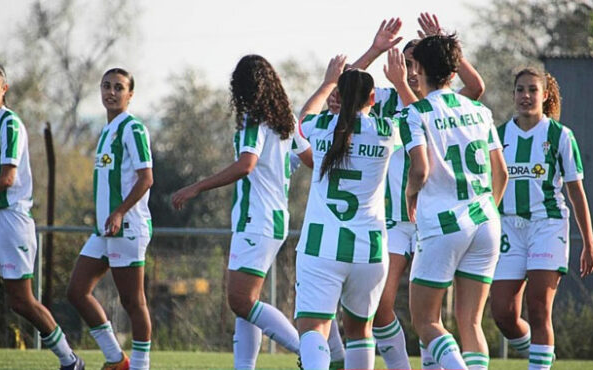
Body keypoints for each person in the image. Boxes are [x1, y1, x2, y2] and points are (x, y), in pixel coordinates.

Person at [344, 13, 487, 370]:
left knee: (433, 313)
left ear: (427, 68)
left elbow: (477, 88)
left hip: (436, 218)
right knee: (382, 307)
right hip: (395, 222)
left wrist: (450, 50)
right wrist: (375, 50)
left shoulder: (444, 102)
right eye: (405, 63)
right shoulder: (389, 101)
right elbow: (343, 90)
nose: (410, 70)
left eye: (416, 63)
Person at [171, 55, 312, 370]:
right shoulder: (286, 121)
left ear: (242, 88)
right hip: (272, 220)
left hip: (256, 219)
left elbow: (246, 165)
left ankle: (310, 354)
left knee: (241, 300)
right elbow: (310, 159)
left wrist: (196, 187)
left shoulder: (253, 119)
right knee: (246, 302)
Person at [0, 61, 84, 369]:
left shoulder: (10, 124)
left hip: (10, 218)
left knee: (21, 302)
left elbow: (8, 178)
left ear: (4, 89)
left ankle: (70, 360)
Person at [401, 34, 508, 370]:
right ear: (453, 71)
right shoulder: (479, 109)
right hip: (486, 221)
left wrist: (410, 194)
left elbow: (420, 169)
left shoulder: (416, 113)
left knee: (426, 321)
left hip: (444, 224)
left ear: (418, 68)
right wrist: (487, 210)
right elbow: (501, 173)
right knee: (471, 323)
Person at [490, 68, 593, 370]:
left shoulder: (560, 136)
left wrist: (589, 244)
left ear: (545, 95)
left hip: (547, 226)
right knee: (502, 313)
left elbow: (577, 192)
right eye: (520, 90)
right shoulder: (498, 136)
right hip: (508, 228)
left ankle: (539, 363)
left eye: (532, 90)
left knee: (539, 309)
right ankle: (540, 354)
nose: (526, 96)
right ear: (513, 94)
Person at [294, 55, 397, 370]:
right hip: (370, 250)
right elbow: (415, 113)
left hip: (320, 247)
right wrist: (402, 82)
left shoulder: (323, 126)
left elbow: (303, 117)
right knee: (360, 332)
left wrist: (327, 82)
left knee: (313, 329)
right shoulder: (386, 129)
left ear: (337, 95)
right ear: (372, 98)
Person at [66, 68, 153, 370]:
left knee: (133, 301)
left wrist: (119, 212)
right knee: (76, 291)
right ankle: (116, 359)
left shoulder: (133, 128)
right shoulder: (106, 130)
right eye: (106, 86)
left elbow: (146, 178)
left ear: (130, 95)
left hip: (127, 226)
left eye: (119, 87)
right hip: (105, 229)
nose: (111, 92)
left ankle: (140, 366)